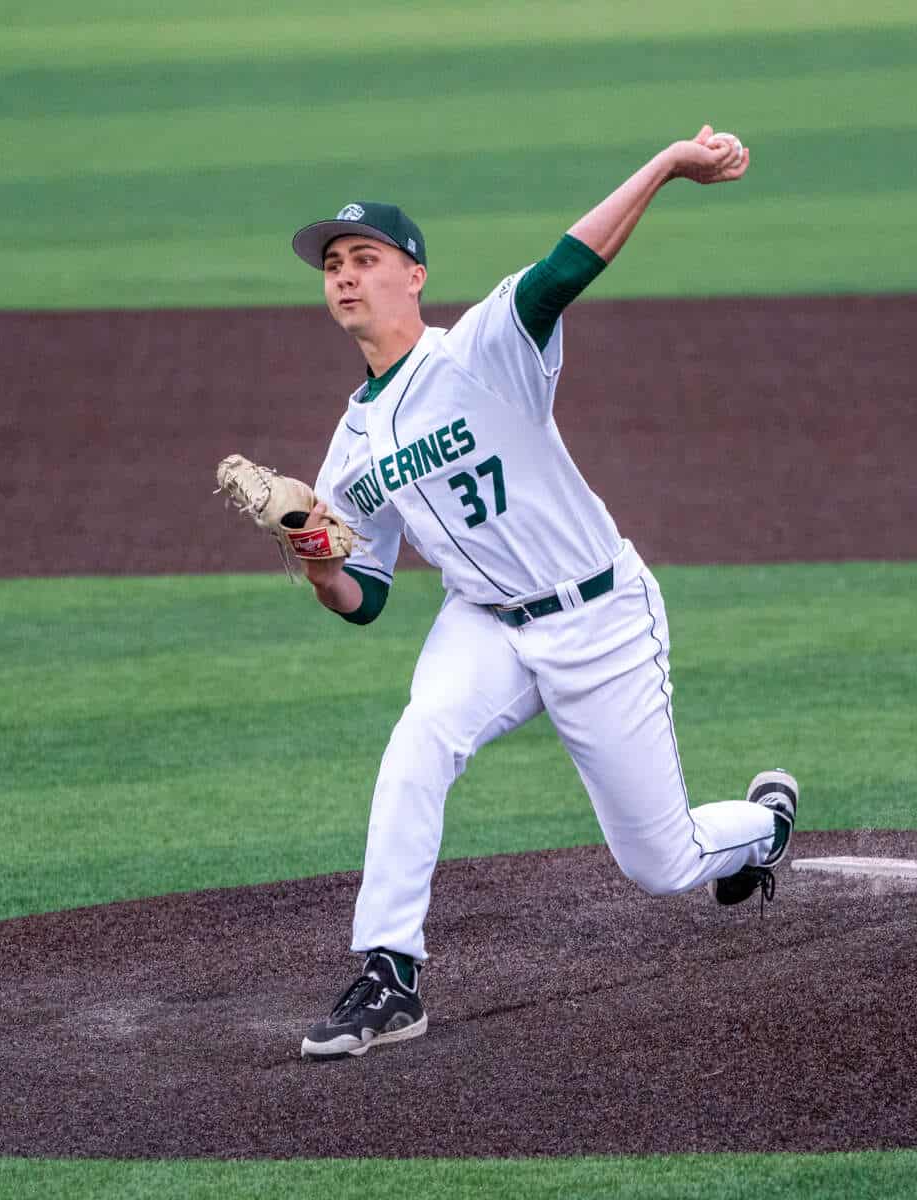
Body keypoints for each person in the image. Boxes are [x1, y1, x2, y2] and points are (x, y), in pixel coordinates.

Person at [290, 126, 799, 1060]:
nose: (346, 276)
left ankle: (764, 825)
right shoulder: (351, 442)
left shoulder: (481, 349)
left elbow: (569, 265)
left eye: (366, 258)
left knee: (662, 863)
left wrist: (667, 167)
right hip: (481, 622)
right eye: (332, 264)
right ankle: (389, 974)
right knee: (416, 745)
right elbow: (364, 596)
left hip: (597, 614)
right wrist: (317, 561)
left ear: (414, 274)